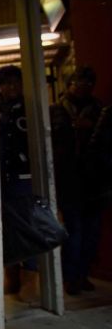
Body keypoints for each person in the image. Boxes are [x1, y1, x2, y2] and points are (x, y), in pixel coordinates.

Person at [50, 66, 105, 295]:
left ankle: (82, 275)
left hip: (95, 180)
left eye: (88, 82)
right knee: (74, 230)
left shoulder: (99, 110)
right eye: (79, 82)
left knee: (92, 232)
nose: (83, 86)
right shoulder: (57, 110)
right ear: (70, 84)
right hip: (69, 179)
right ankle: (71, 278)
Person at [0, 65, 39, 302]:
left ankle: (30, 283)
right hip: (1, 179)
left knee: (26, 228)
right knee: (7, 230)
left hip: (24, 179)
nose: (11, 87)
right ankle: (11, 279)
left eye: (15, 82)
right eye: (6, 83)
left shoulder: (30, 108)